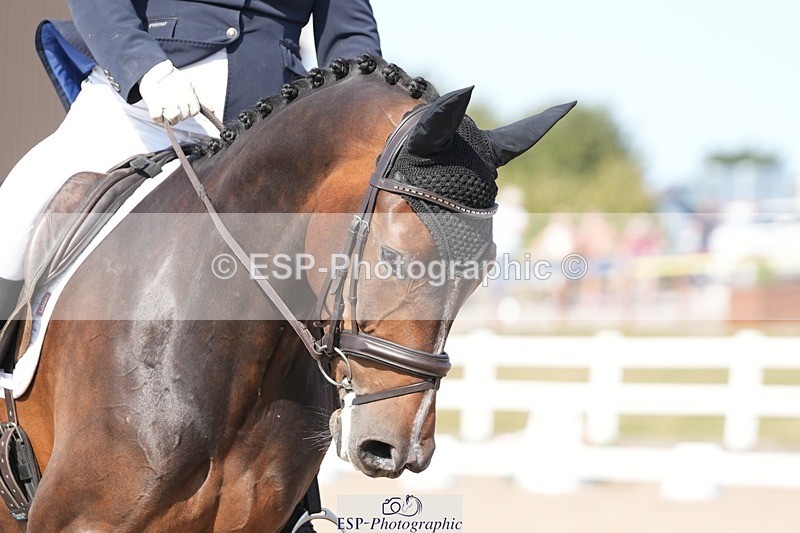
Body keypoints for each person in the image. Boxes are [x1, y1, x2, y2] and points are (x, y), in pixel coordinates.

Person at [0, 0, 381, 327]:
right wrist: (146, 70)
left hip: (270, 117)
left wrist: (365, 117)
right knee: (15, 218)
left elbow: (350, 37)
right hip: (142, 97)